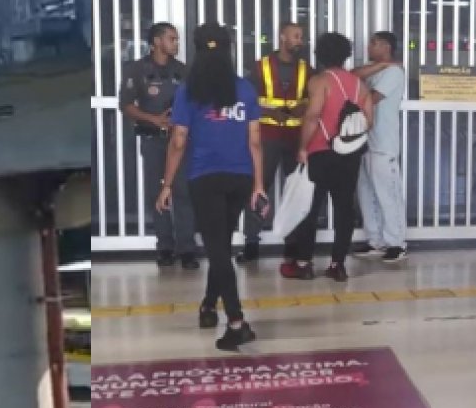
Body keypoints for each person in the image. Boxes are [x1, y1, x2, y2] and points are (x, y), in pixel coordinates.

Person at [156, 23, 267, 351]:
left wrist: (166, 185)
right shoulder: (244, 89)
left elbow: (178, 141)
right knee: (221, 246)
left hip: (205, 178)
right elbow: (256, 140)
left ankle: (236, 322)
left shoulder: (188, 91)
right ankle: (207, 306)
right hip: (240, 177)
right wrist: (258, 184)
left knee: (218, 250)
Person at [283, 32, 370, 281]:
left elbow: (312, 117)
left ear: (319, 54)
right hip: (350, 155)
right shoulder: (359, 85)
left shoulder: (320, 81)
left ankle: (304, 263)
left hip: (320, 152)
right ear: (346, 55)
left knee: (310, 208)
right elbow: (368, 121)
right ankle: (337, 264)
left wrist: (302, 147)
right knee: (344, 208)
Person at [120, 23, 198, 269]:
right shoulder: (136, 69)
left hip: (181, 140)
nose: (176, 43)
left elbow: (195, 103)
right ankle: (165, 247)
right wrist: (155, 120)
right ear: (156, 41)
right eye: (172, 39)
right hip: (153, 138)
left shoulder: (183, 71)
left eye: (176, 39)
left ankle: (187, 249)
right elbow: (126, 105)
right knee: (158, 193)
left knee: (183, 192)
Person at [241, 21, 308, 263]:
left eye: (301, 37)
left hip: (295, 138)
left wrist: (305, 106)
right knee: (259, 188)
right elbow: (247, 99)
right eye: (296, 36)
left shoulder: (305, 69)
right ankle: (251, 243)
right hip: (267, 136)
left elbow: (313, 98)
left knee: (295, 192)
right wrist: (270, 113)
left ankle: (293, 242)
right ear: (282, 38)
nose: (300, 41)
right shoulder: (261, 68)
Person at [351, 31, 409, 264]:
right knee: (367, 194)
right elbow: (353, 76)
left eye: (373, 43)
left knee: (388, 194)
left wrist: (356, 92)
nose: (369, 46)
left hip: (384, 144)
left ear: (386, 46)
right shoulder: (377, 69)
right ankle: (375, 240)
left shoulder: (394, 72)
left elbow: (370, 98)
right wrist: (378, 65)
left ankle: (396, 243)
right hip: (365, 142)